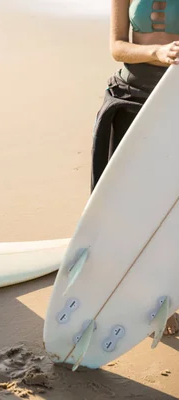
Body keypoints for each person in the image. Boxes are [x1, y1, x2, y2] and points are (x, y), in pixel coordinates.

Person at [91, 0, 179, 335]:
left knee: (167, 206)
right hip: (129, 97)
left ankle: (165, 298)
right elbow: (117, 47)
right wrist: (156, 53)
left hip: (174, 97)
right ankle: (132, 289)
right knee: (127, 205)